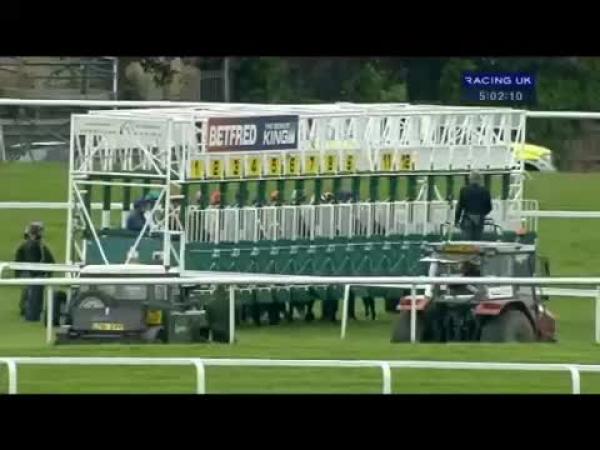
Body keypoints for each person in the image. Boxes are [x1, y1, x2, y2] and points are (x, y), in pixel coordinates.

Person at [14, 222, 56, 322]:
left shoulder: (28, 245)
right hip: (32, 273)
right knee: (31, 293)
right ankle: (29, 311)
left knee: (29, 293)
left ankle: (27, 310)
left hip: (30, 273)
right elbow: (49, 260)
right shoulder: (38, 246)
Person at [454, 171, 492, 241]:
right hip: (479, 220)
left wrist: (456, 220)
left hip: (467, 219)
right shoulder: (485, 191)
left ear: (470, 179)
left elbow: (459, 207)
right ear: (480, 179)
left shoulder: (464, 190)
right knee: (478, 243)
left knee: (466, 243)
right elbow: (489, 207)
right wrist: (481, 214)